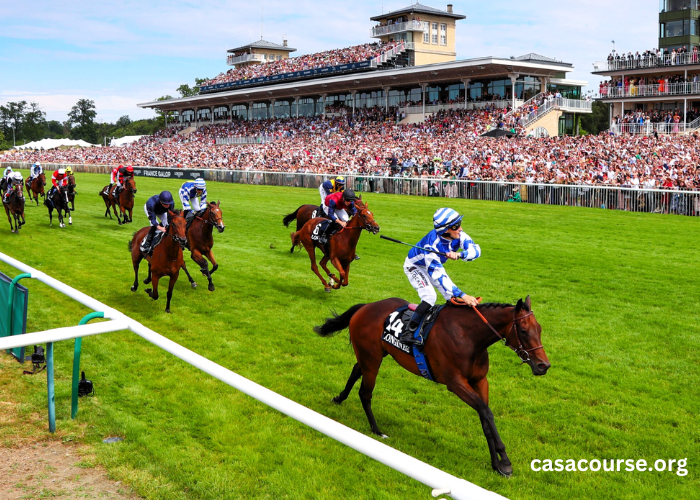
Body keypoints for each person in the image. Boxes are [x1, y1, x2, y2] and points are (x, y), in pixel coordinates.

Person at [399, 208, 481, 345]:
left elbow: (476, 250)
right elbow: (440, 277)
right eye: (456, 226)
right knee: (430, 297)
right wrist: (463, 295)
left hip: (433, 267)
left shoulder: (458, 234)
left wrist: (460, 254)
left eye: (459, 224)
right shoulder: (431, 246)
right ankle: (408, 332)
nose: (460, 229)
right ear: (446, 230)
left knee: (451, 298)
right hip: (416, 266)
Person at [142, 191, 174, 255]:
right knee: (154, 225)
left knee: (167, 224)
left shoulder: (171, 203)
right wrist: (160, 227)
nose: (167, 205)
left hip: (161, 211)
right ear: (161, 202)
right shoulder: (151, 204)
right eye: (165, 204)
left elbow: (170, 216)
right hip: (151, 210)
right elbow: (153, 220)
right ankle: (146, 243)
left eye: (168, 204)